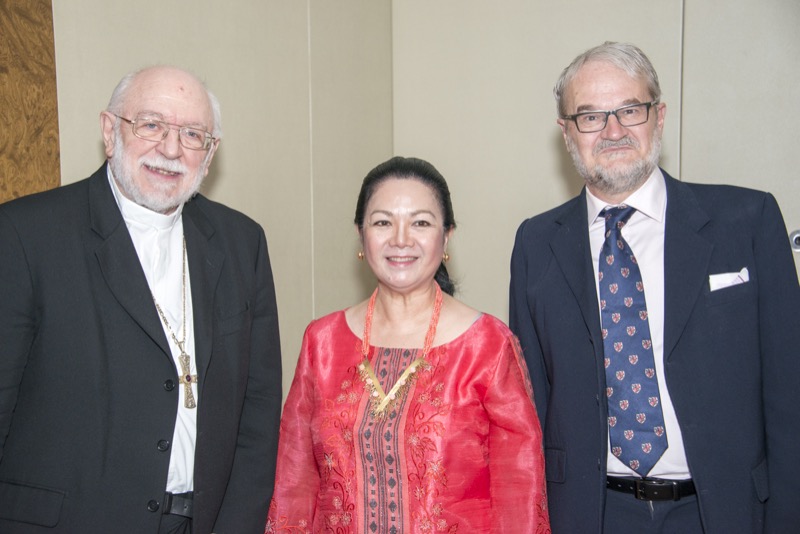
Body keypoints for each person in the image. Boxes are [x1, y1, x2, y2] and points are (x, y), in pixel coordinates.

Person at [510, 41, 800, 533]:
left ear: (658, 116)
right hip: (591, 514)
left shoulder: (747, 222)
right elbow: (530, 402)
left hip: (723, 511)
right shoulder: (535, 244)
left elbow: (790, 392)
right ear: (566, 132)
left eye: (630, 110)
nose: (613, 131)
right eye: (591, 116)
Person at [0, 65, 282, 533]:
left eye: (192, 135)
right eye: (151, 125)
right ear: (110, 132)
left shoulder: (241, 243)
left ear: (210, 154)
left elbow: (258, 411)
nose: (171, 150)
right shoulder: (24, 235)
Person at [266, 156, 550, 533]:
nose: (401, 239)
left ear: (446, 237)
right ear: (361, 234)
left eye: (421, 223)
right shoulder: (322, 343)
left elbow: (520, 495)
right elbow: (295, 482)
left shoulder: (488, 345)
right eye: (383, 222)